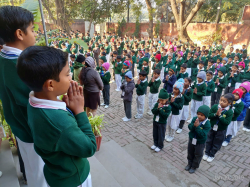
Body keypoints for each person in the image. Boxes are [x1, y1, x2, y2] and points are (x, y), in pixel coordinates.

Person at [17, 46, 96, 187]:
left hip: (54, 173)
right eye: (67, 74)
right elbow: (89, 147)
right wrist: (79, 111)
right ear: (51, 85)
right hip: (74, 179)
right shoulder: (60, 123)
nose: (71, 76)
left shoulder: (32, 101)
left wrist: (66, 108)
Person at [0, 6, 46, 187]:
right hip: (34, 134)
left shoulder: (3, 58)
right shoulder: (21, 67)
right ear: (20, 33)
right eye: (33, 30)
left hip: (20, 129)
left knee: (34, 172)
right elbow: (36, 105)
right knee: (42, 177)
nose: (35, 34)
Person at [204, 94, 234, 162]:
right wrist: (215, 114)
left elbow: (227, 122)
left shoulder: (229, 111)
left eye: (224, 101)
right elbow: (209, 116)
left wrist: (220, 116)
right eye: (221, 100)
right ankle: (206, 153)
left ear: (229, 103)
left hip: (221, 130)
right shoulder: (215, 107)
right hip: (212, 127)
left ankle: (212, 155)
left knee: (217, 143)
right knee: (209, 140)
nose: (221, 102)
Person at [186, 105, 211, 174]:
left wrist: (197, 127)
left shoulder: (207, 124)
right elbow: (190, 127)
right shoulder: (195, 119)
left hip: (200, 142)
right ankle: (189, 163)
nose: (199, 116)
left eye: (202, 115)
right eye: (198, 114)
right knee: (190, 152)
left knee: (198, 154)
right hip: (192, 139)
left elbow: (202, 135)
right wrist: (194, 125)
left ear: (206, 116)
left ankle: (194, 166)